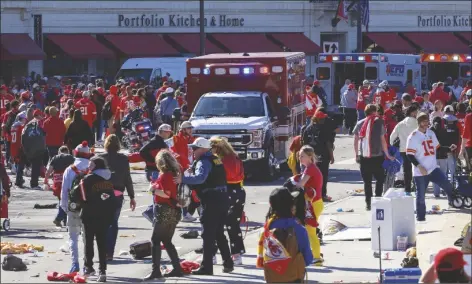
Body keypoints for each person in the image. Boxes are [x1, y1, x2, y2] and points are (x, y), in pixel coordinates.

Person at [174, 137, 234, 275]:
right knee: (219, 233)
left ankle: (207, 268)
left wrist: (182, 179)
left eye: (195, 148)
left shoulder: (204, 161)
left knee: (207, 235)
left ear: (202, 149)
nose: (193, 151)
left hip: (212, 201)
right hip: (222, 199)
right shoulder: (215, 159)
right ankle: (228, 263)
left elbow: (201, 178)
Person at [256, 187, 313, 282]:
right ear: (290, 206)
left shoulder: (268, 227)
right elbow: (308, 258)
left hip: (272, 277)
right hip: (295, 277)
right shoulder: (298, 227)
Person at [406, 113, 455, 221]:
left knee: (447, 185)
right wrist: (419, 166)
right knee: (421, 197)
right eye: (424, 121)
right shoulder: (413, 136)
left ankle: (454, 202)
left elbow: (438, 148)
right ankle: (421, 217)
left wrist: (448, 148)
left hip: (433, 168)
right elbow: (409, 154)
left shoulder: (431, 133)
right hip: (420, 172)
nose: (426, 123)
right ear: (419, 122)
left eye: (427, 121)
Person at [143, 150, 184, 280]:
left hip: (164, 210)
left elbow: (166, 194)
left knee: (155, 240)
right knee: (167, 240)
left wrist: (153, 189)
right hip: (174, 210)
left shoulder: (166, 175)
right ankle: (177, 268)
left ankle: (156, 271)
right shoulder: (176, 174)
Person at [98, 134, 136, 260]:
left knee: (102, 222)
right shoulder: (123, 159)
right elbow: (127, 178)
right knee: (113, 222)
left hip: (102, 193)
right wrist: (132, 196)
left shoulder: (99, 158)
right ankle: (110, 252)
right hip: (117, 193)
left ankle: (102, 250)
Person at [209, 136, 246, 265]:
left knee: (215, 225)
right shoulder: (235, 157)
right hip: (239, 192)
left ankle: (212, 254)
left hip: (225, 192)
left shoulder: (219, 160)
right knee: (233, 225)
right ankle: (237, 254)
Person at [80, 156, 115, 282]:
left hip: (89, 214)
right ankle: (103, 271)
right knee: (102, 243)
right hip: (105, 215)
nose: (89, 166)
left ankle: (89, 267)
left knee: (88, 242)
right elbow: (112, 197)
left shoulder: (87, 179)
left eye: (91, 164)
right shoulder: (110, 177)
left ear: (96, 166)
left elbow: (82, 196)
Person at [60, 141, 93, 273]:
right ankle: (87, 265)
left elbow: (64, 190)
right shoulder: (92, 168)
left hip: (73, 208)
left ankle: (75, 264)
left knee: (73, 237)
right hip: (89, 208)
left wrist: (65, 208)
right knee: (88, 238)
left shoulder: (70, 169)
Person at [354, 104, 394, 210]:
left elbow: (356, 141)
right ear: (374, 112)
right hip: (377, 156)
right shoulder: (379, 123)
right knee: (380, 180)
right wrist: (388, 155)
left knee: (367, 182)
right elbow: (383, 141)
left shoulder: (359, 123)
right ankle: (378, 200)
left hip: (364, 157)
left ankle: (368, 204)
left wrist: (356, 154)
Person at [293, 145, 324, 266]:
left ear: (310, 157)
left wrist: (290, 184)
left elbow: (300, 185)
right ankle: (315, 255)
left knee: (310, 232)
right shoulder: (310, 168)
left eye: (302, 156)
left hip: (313, 204)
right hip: (315, 203)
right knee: (309, 231)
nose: (300, 158)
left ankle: (316, 258)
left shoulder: (309, 169)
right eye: (299, 156)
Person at [302, 111, 334, 202]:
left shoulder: (307, 129)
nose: (324, 120)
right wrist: (331, 156)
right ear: (319, 119)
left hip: (310, 158)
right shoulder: (324, 129)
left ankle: (311, 195)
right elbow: (328, 144)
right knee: (323, 176)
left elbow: (304, 144)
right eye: (323, 118)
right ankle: (322, 195)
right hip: (323, 156)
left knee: (311, 177)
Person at [389, 105, 418, 193]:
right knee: (417, 168)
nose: (417, 114)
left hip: (403, 149)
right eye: (416, 112)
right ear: (413, 113)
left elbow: (391, 138)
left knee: (406, 169)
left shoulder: (400, 124)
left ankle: (407, 189)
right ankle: (417, 187)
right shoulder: (417, 123)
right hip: (416, 149)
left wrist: (395, 144)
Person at [44, 146, 75, 227]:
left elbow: (49, 171)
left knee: (61, 200)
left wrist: (45, 180)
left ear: (59, 152)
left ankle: (64, 220)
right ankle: (59, 218)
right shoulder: (71, 158)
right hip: (67, 181)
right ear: (67, 151)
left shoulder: (55, 158)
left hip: (57, 182)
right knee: (66, 200)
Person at [21, 109, 46, 190]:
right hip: (37, 148)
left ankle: (32, 182)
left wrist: (25, 148)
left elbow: (23, 135)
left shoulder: (28, 124)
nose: (42, 117)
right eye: (41, 115)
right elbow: (43, 134)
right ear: (38, 115)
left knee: (33, 165)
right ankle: (34, 184)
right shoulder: (38, 123)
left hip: (29, 148)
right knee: (36, 166)